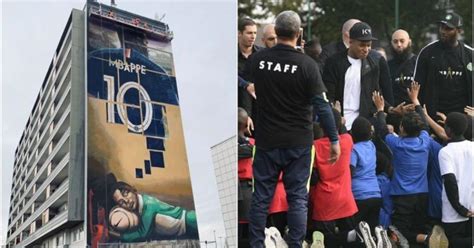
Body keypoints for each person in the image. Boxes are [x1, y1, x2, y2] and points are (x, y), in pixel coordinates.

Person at [245, 10, 340, 248]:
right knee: (298, 198)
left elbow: (239, 78)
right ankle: (295, 244)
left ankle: (256, 244)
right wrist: (334, 139)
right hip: (298, 143)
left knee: (261, 198)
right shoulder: (307, 65)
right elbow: (322, 105)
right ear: (299, 34)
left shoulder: (259, 60)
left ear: (275, 32)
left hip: (266, 141)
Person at [372, 82, 448, 247]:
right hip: (423, 195)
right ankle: (426, 238)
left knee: (397, 231)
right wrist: (416, 100)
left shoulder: (397, 144)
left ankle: (427, 239)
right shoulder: (424, 141)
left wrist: (380, 109)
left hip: (403, 196)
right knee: (417, 226)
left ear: (402, 129)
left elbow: (382, 129)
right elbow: (425, 124)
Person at [310, 108, 380, 247]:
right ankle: (354, 236)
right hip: (345, 199)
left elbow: (313, 177)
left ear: (321, 125)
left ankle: (353, 235)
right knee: (351, 243)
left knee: (323, 240)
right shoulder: (347, 141)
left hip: (325, 202)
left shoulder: (315, 146)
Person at [323, 22, 393, 131]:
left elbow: (376, 94)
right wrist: (335, 117)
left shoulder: (373, 65)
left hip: (363, 127)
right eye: (362, 45)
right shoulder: (334, 63)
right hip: (340, 125)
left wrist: (391, 109)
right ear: (350, 42)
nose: (366, 49)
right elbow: (328, 95)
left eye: (369, 45)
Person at [413, 12, 473, 117]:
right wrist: (421, 114)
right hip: (433, 115)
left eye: (448, 29)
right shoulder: (427, 52)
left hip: (462, 119)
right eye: (442, 27)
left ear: (459, 31)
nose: (443, 31)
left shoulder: (470, 55)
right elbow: (416, 87)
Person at [109, 181, 198, 242]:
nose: (126, 201)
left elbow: (143, 233)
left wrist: (120, 236)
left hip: (189, 220)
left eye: (125, 193)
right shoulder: (138, 209)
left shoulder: (148, 204)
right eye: (121, 202)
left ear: (132, 189)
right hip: (185, 229)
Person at [439, 112, 474, 247]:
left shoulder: (445, 152)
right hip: (472, 208)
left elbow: (450, 182)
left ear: (448, 130)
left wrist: (460, 209)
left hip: (454, 214)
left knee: (453, 243)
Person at [350, 117, 382, 233]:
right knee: (372, 232)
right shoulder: (371, 146)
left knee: (357, 232)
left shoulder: (353, 150)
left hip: (359, 196)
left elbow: (350, 172)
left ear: (352, 133)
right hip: (376, 194)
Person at [238, 17, 261, 127]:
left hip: (259, 109)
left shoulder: (262, 54)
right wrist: (245, 85)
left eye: (255, 33)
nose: (253, 37)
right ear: (239, 33)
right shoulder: (229, 54)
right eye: (249, 33)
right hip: (237, 108)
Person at [388, 29, 417, 106]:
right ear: (391, 43)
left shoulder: (418, 63)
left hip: (415, 111)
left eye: (402, 41)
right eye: (395, 41)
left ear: (409, 42)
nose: (399, 44)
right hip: (394, 112)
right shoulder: (387, 66)